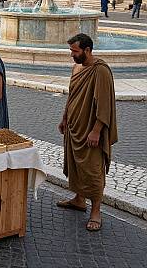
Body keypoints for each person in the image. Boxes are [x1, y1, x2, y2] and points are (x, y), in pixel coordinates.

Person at [57, 33, 117, 232]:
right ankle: (79, 199)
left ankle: (96, 211)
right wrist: (64, 118)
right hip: (74, 126)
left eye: (75, 51)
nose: (72, 55)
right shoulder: (76, 67)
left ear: (87, 50)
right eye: (71, 51)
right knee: (75, 165)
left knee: (93, 170)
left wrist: (97, 131)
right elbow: (71, 95)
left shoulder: (100, 71)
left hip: (91, 130)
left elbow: (105, 105)